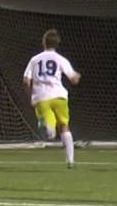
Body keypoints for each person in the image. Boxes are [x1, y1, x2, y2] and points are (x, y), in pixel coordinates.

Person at [23, 29, 81, 168]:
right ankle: (70, 161)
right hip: (59, 96)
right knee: (65, 126)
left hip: (41, 97)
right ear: (57, 44)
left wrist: (31, 95)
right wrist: (78, 76)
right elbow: (73, 79)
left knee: (49, 134)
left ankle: (46, 126)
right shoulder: (60, 59)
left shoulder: (35, 59)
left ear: (44, 42)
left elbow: (26, 80)